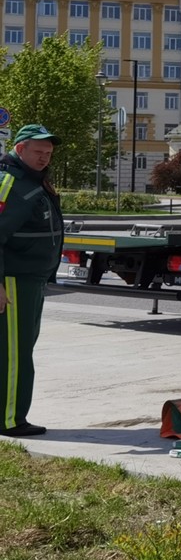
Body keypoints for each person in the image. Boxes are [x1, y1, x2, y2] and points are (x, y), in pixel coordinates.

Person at [0, 124, 65, 438]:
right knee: (15, 353)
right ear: (21, 148)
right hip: (14, 280)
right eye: (39, 152)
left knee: (17, 349)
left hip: (28, 279)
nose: (44, 157)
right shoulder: (11, 182)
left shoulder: (31, 180)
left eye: (49, 153)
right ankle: (10, 420)